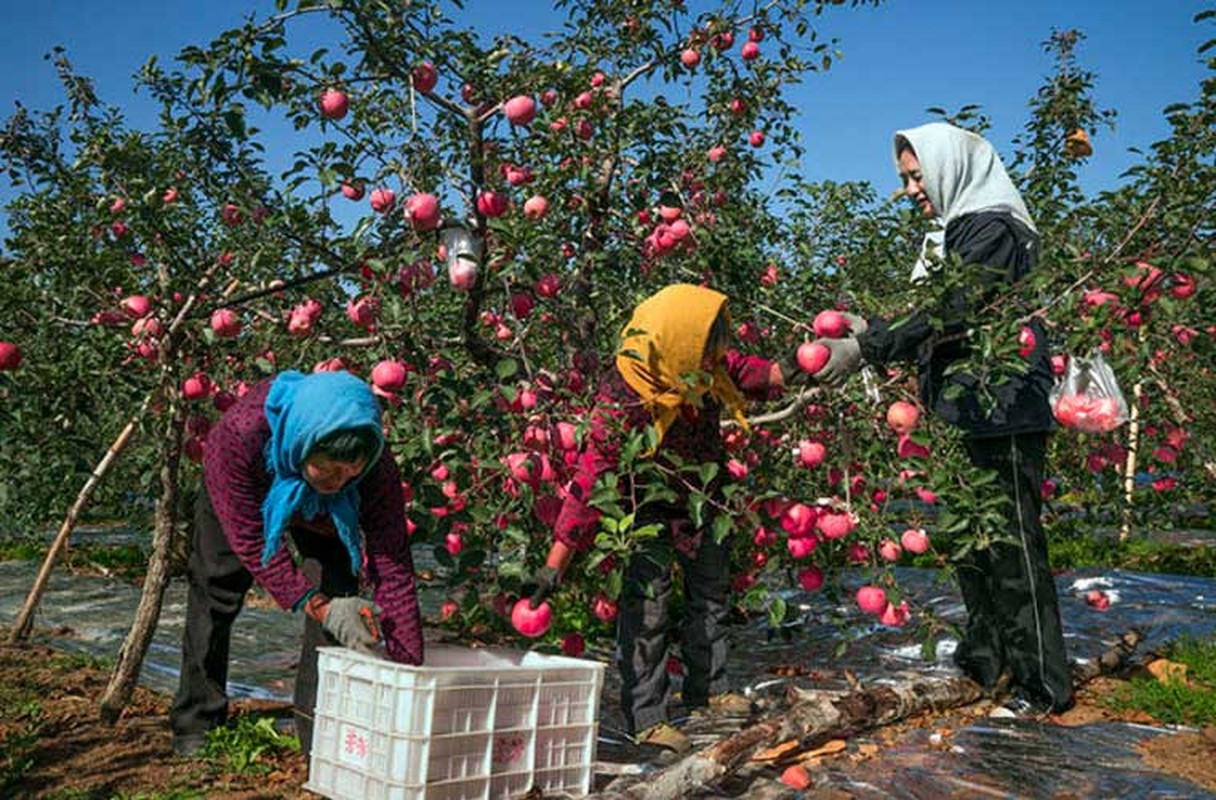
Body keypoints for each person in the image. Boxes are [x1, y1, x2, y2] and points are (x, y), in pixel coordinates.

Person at [811, 122, 1073, 716]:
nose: (909, 190)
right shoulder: (955, 233)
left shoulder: (992, 228)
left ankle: (1043, 683)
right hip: (965, 414)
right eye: (904, 178)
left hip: (1001, 411)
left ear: (949, 166)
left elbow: (954, 308)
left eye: (915, 175)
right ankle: (989, 655)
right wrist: (874, 330)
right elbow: (936, 314)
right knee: (969, 540)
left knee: (1011, 546)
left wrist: (871, 348)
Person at [528, 283, 784, 750]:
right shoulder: (623, 397)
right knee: (648, 610)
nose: (714, 361)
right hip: (643, 511)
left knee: (711, 591)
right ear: (678, 343)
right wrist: (554, 564)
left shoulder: (696, 366)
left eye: (714, 351)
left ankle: (709, 689)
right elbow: (590, 483)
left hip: (702, 499)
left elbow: (746, 371)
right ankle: (646, 716)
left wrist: (805, 367)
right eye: (706, 350)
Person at [170, 369, 424, 756]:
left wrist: (410, 671)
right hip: (251, 490)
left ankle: (317, 730)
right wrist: (312, 603)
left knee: (340, 594)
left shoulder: (373, 466)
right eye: (332, 468)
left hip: (328, 512)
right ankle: (197, 721)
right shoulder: (239, 436)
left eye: (350, 472)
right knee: (215, 588)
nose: (340, 479)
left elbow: (393, 564)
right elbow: (253, 544)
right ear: (304, 445)